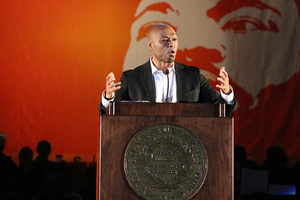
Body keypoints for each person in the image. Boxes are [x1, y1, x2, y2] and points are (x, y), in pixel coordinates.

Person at [100, 23, 235, 115]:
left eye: (174, 39)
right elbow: (110, 113)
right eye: (165, 40)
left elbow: (219, 111)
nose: (171, 44)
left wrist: (226, 93)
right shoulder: (132, 78)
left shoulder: (193, 75)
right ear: (150, 45)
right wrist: (108, 98)